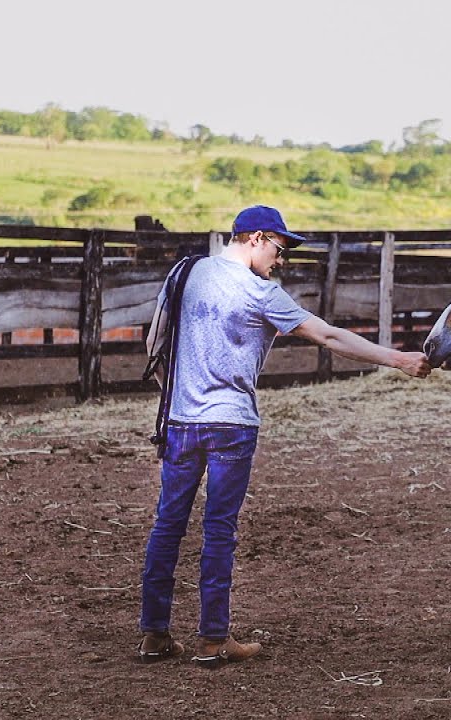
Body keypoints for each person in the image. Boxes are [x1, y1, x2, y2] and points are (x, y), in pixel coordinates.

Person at [136, 205, 431, 667]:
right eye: (279, 248)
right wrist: (399, 359)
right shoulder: (262, 293)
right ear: (255, 238)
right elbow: (330, 337)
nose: (281, 260)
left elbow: (153, 344)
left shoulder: (184, 273)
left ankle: (154, 634)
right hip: (232, 426)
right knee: (219, 530)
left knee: (167, 525)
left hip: (180, 423)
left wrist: (178, 397)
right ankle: (212, 640)